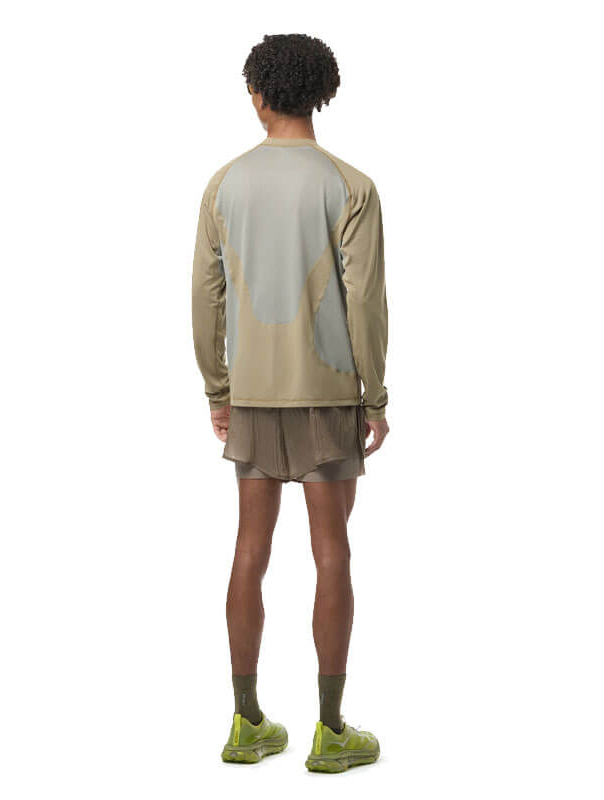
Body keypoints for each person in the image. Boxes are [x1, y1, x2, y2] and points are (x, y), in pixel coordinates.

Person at [191, 33, 389, 773]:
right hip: (328, 394)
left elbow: (204, 296)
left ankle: (245, 723)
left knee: (250, 550)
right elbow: (364, 301)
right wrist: (374, 395)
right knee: (331, 551)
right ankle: (330, 732)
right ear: (322, 94)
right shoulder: (352, 186)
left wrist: (219, 389)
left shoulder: (224, 185)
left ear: (258, 95)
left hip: (252, 395)